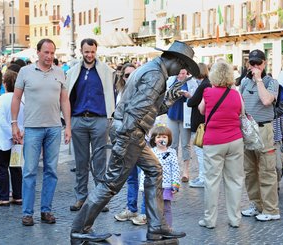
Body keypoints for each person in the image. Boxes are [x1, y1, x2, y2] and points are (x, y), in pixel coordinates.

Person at [70, 40, 200, 243]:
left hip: (132, 133)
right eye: (181, 66)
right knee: (111, 184)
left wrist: (170, 98)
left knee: (155, 170)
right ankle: (80, 228)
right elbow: (137, 110)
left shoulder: (153, 70)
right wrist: (122, 142)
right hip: (130, 133)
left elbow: (149, 109)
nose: (180, 70)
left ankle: (156, 226)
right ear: (174, 60)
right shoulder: (156, 75)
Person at [11, 38, 71, 226]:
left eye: (52, 53)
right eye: (46, 52)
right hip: (32, 127)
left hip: (54, 127)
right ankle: (27, 213)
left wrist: (67, 125)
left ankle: (46, 210)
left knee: (51, 171)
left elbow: (64, 101)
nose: (49, 56)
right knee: (29, 171)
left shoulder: (60, 72)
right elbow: (16, 98)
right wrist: (14, 123)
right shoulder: (25, 71)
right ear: (38, 52)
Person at [66, 38, 115, 212]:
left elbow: (111, 94)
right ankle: (81, 198)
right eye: (86, 51)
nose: (90, 55)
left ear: (96, 51)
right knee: (81, 162)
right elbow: (67, 96)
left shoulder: (106, 71)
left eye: (92, 51)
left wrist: (111, 117)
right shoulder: (72, 72)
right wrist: (67, 121)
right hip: (78, 119)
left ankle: (99, 199)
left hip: (100, 119)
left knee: (100, 161)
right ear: (81, 51)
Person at [197, 61, 245, 228]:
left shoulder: (208, 92)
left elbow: (201, 110)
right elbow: (241, 112)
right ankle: (235, 219)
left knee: (211, 181)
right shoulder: (236, 94)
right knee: (235, 180)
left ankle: (210, 220)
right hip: (235, 140)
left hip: (214, 142)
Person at [239, 49, 280, 221]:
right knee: (249, 171)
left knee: (267, 170)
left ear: (264, 64)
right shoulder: (244, 82)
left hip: (264, 129)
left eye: (258, 63)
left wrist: (258, 80)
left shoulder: (272, 82)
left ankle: (271, 211)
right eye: (252, 63)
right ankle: (256, 205)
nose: (255, 66)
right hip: (247, 130)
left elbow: (266, 100)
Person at [0, 70, 24, 206]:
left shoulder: (2, 99)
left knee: (1, 168)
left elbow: (1, 121)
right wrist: (19, 135)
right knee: (15, 167)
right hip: (18, 139)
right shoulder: (22, 99)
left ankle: (3, 197)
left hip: (2, 140)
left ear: (5, 83)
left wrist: (11, 134)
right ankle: (18, 195)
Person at [113, 63, 142, 223]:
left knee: (144, 177)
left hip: (141, 139)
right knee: (131, 177)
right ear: (122, 78)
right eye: (126, 75)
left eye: (132, 75)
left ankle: (145, 212)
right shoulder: (121, 93)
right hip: (126, 139)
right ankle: (131, 208)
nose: (129, 78)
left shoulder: (144, 92)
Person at [138, 125, 180, 227]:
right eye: (158, 137)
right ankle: (156, 227)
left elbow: (175, 169)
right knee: (154, 209)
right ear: (154, 140)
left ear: (169, 139)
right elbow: (145, 170)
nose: (161, 139)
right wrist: (143, 187)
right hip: (153, 186)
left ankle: (168, 228)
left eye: (164, 137)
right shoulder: (150, 152)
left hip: (166, 186)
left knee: (166, 208)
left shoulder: (172, 152)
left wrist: (175, 184)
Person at [166, 68, 196, 183]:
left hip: (185, 116)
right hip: (172, 114)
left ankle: (185, 172)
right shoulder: (171, 80)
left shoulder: (191, 82)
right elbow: (165, 95)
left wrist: (188, 95)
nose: (180, 76)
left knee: (185, 144)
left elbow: (195, 98)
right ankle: (173, 170)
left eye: (183, 73)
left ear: (186, 73)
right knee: (172, 144)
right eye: (179, 73)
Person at [185, 63, 211, 188]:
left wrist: (190, 97)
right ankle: (204, 177)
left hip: (199, 122)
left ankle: (202, 178)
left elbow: (191, 102)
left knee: (200, 152)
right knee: (204, 152)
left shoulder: (203, 85)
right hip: (205, 121)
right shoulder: (208, 83)